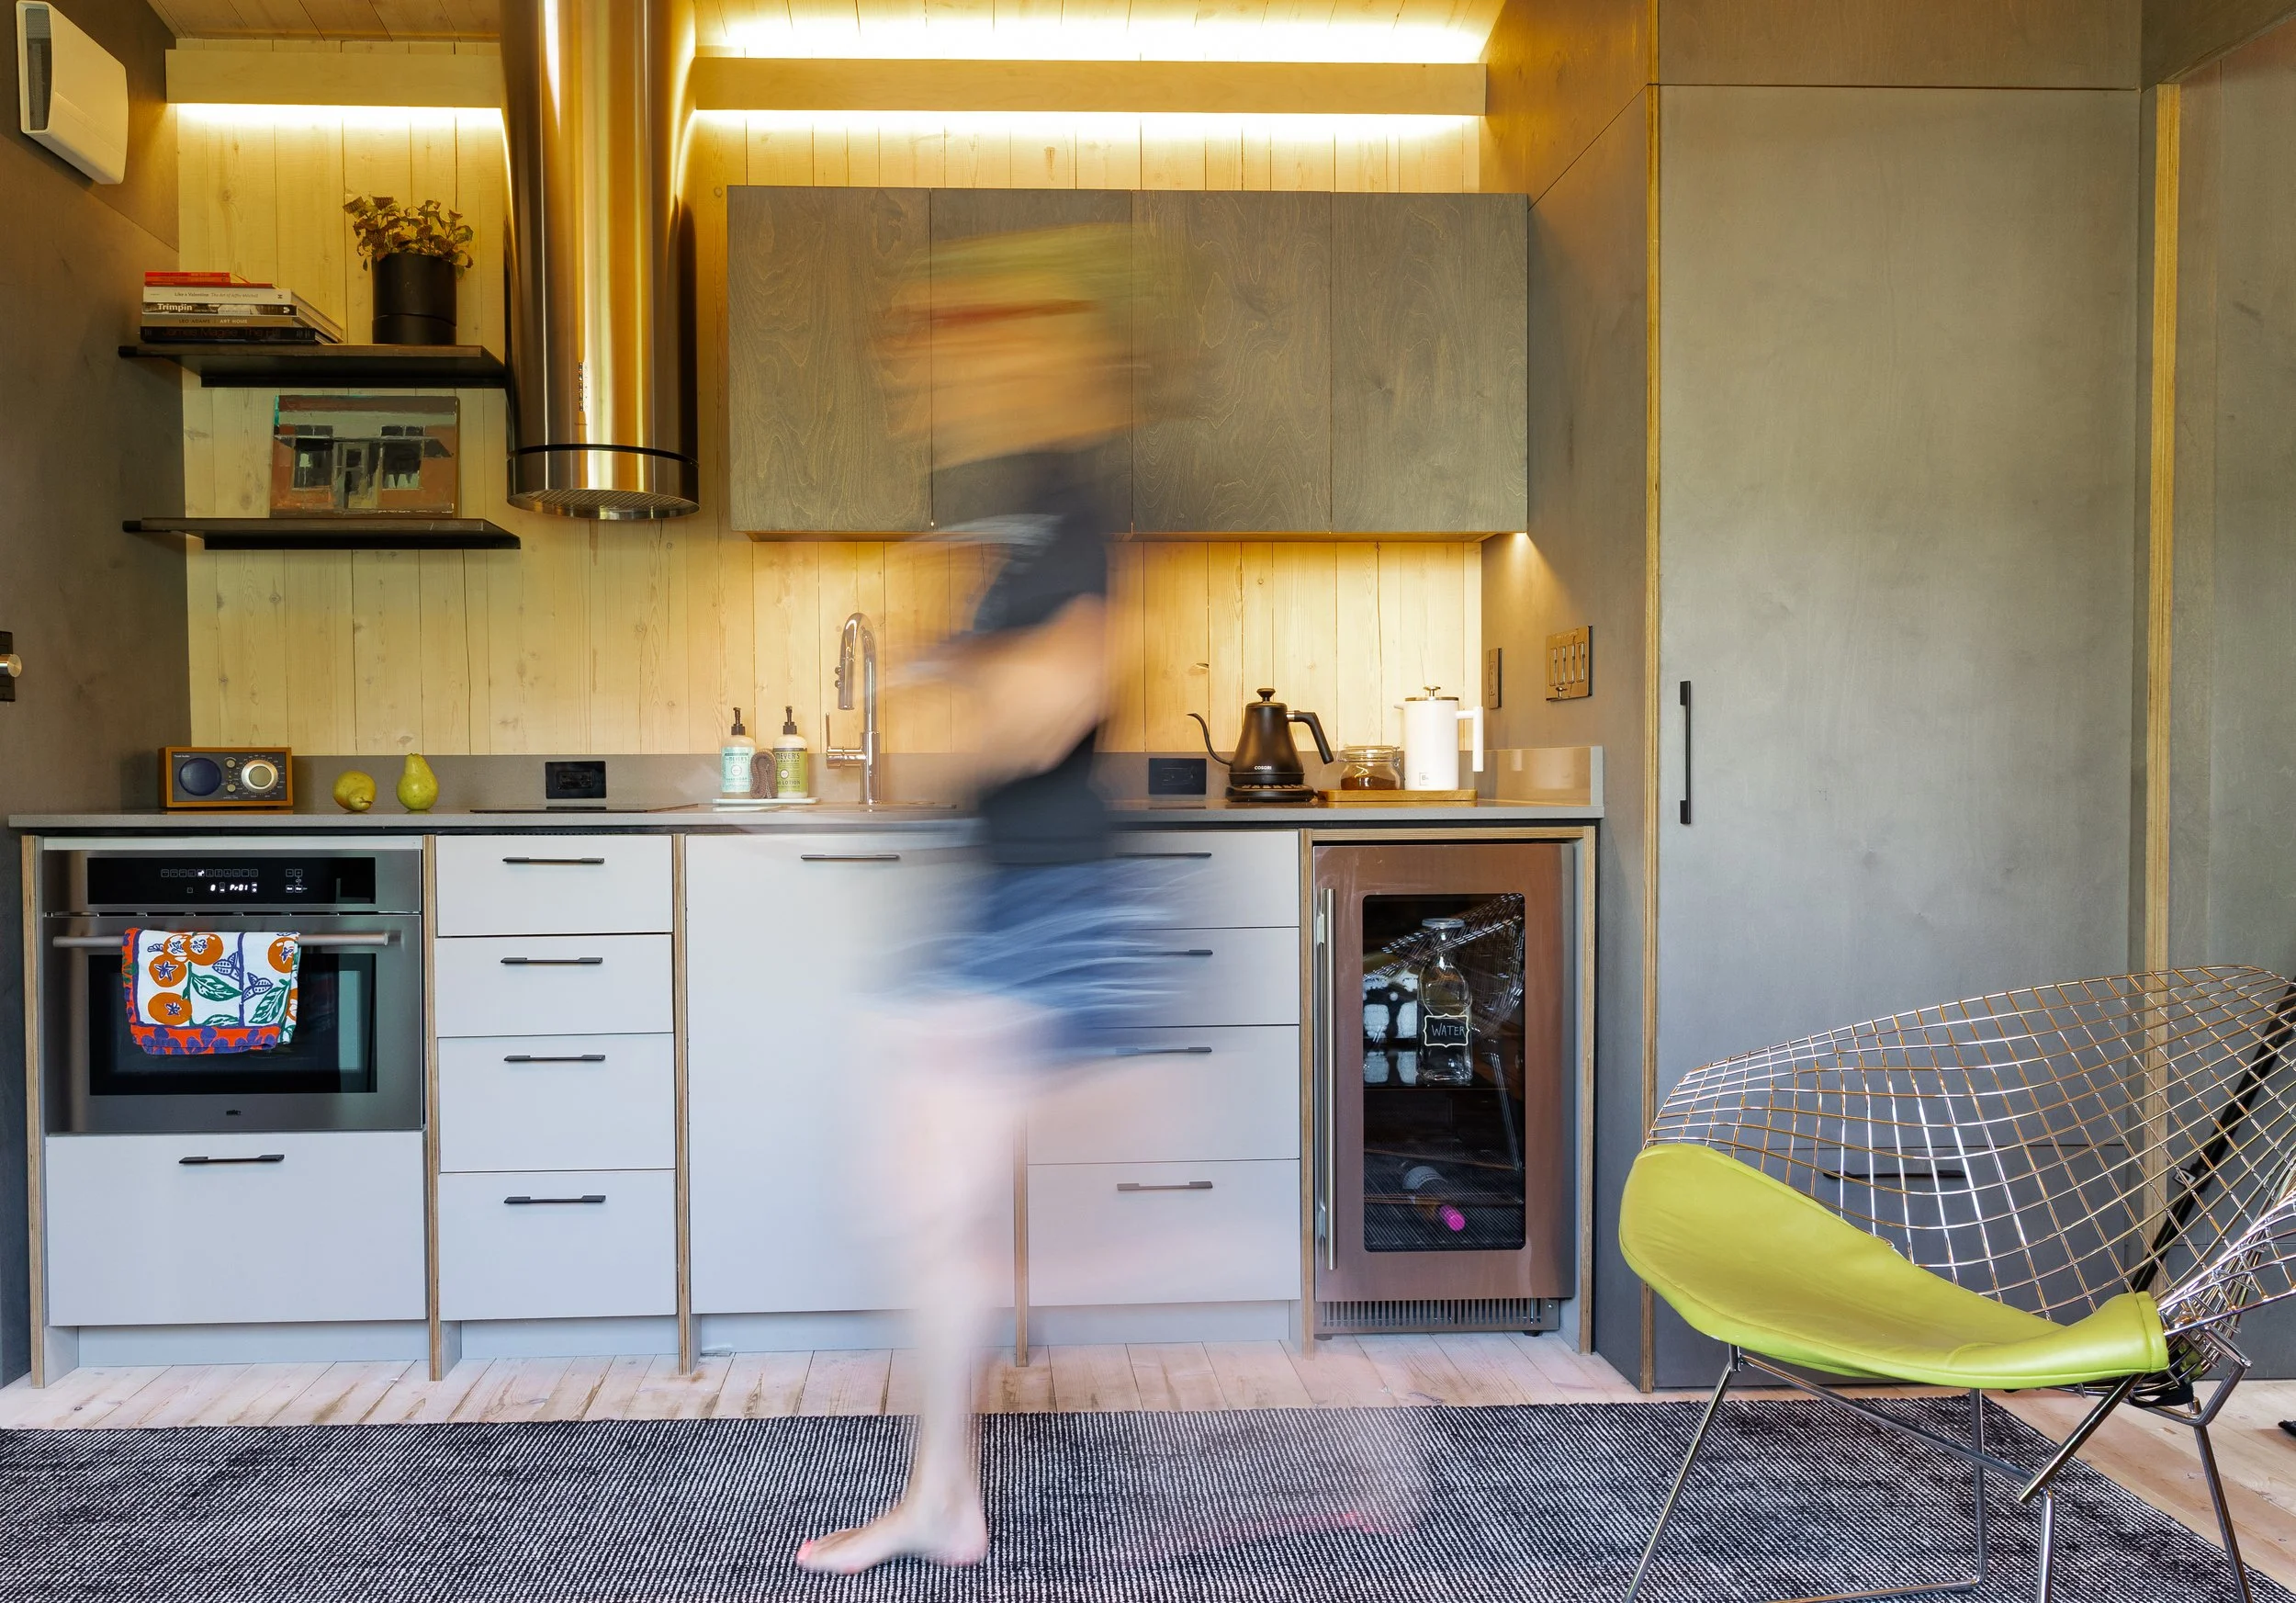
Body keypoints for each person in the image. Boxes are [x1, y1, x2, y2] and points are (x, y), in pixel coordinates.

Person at [795, 226, 1163, 1575]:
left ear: (1058, 366)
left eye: (977, 352)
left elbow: (1050, 702)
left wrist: (948, 707)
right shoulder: (1023, 522)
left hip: (1053, 913)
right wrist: (941, 699)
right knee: (935, 1206)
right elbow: (981, 723)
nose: (943, 382)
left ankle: (955, 1493)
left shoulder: (1073, 512)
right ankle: (942, 1491)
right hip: (1008, 908)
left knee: (943, 1204)